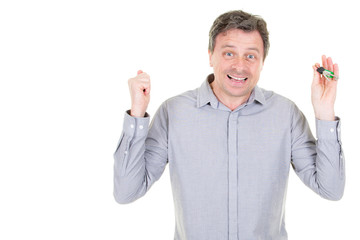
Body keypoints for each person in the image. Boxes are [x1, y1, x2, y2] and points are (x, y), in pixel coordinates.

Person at [113, 10, 345, 240]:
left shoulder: (286, 114)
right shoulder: (174, 112)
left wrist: (324, 112)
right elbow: (127, 192)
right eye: (229, 54)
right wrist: (137, 113)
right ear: (211, 55)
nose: (240, 66)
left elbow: (330, 189)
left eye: (251, 56)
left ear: (263, 62)